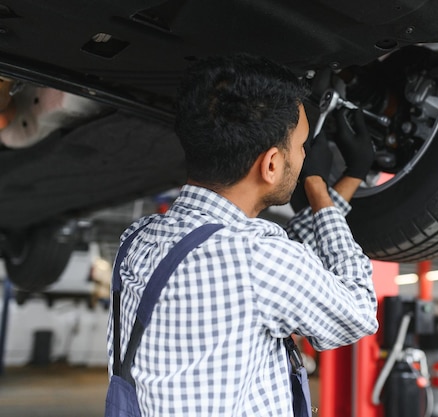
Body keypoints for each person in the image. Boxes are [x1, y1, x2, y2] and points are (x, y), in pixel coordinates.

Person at [106, 53, 378, 417]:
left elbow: (290, 261)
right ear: (270, 165)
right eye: (300, 147)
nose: (303, 156)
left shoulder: (138, 240)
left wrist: (348, 180)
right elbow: (359, 311)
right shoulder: (258, 259)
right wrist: (316, 187)